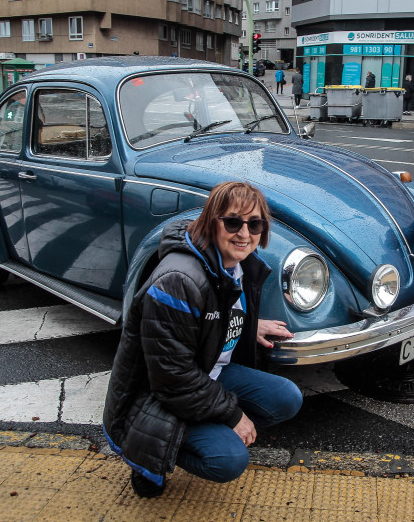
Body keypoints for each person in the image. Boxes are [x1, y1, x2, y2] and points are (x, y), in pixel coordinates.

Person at [103, 182, 303, 497]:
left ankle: (203, 426)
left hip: (206, 373)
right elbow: (171, 377)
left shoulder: (236, 265)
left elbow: (215, 314)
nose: (244, 233)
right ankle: (147, 456)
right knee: (229, 460)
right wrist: (232, 415)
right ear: (212, 221)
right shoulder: (178, 282)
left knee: (287, 397)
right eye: (233, 222)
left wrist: (250, 325)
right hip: (155, 396)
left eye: (255, 224)